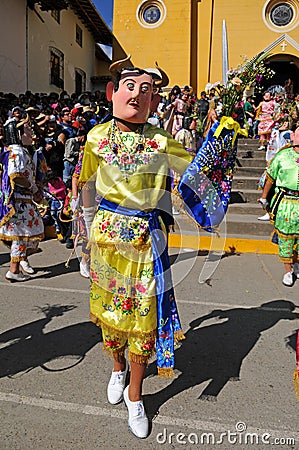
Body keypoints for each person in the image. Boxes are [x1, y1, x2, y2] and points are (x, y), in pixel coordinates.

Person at [79, 58, 193, 439]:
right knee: (112, 314)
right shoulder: (95, 137)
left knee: (143, 320)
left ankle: (136, 394)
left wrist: (218, 141)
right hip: (107, 238)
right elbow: (86, 184)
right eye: (131, 87)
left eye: (147, 90)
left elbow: (195, 173)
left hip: (146, 241)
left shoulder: (162, 140)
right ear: (113, 93)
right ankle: (116, 368)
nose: (138, 95)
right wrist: (86, 228)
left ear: (154, 100)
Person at [0, 116, 44, 281]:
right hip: (20, 201)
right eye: (27, 129)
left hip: (21, 200)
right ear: (17, 134)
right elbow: (15, 175)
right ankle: (14, 269)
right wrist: (32, 187)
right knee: (22, 234)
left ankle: (19, 264)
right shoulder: (17, 152)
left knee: (23, 234)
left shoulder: (15, 150)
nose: (31, 132)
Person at [258, 127, 299, 286]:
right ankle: (288, 271)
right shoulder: (282, 156)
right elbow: (270, 178)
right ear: (292, 136)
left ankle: (297, 265)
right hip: (286, 203)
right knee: (286, 238)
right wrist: (264, 198)